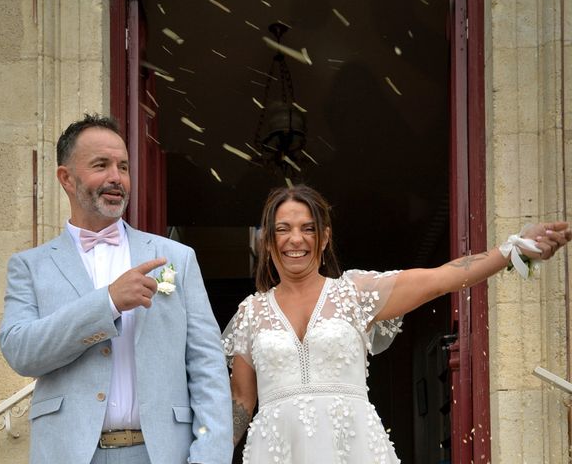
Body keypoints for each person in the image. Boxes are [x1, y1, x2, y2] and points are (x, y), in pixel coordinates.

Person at [223, 184, 571, 463]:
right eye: (282, 230)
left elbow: (439, 279)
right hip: (274, 449)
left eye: (307, 229)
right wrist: (209, 455)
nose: (295, 239)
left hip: (353, 447)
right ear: (268, 242)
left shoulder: (355, 293)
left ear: (324, 238)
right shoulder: (250, 313)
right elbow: (241, 401)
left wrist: (513, 249)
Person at [0, 114, 233, 464]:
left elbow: (207, 368)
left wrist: (209, 456)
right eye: (101, 165)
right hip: (70, 453)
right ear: (66, 177)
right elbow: (21, 352)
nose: (116, 177)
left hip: (161, 454)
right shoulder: (30, 266)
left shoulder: (176, 259)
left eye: (123, 166)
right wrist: (106, 303)